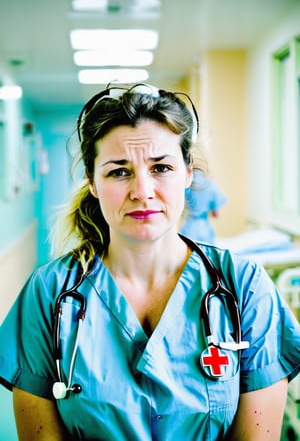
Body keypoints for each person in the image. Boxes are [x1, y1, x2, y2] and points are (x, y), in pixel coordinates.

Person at [0, 83, 299, 441]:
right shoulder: (50, 294)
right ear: (92, 182)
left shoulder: (244, 286)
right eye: (119, 171)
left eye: (161, 168)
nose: (142, 191)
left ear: (188, 173)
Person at [180, 168, 227, 244]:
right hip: (205, 229)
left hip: (188, 228)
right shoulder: (211, 185)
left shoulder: (185, 185)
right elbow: (216, 214)